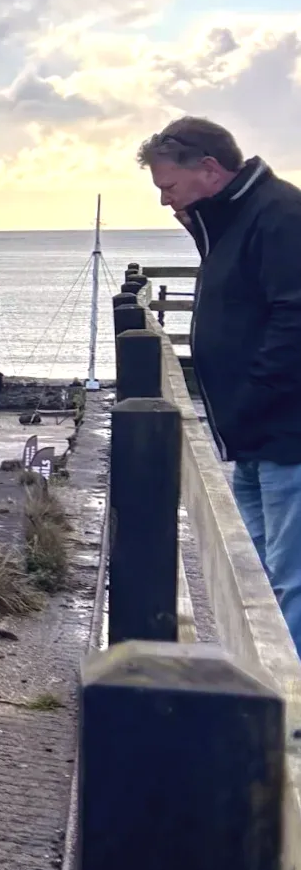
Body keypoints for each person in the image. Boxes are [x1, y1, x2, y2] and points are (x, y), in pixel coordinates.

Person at [140, 117, 301, 640]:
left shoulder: (280, 215)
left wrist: (253, 397)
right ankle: (262, 692)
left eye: (169, 186)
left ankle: (285, 708)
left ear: (209, 168)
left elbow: (293, 317)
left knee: (289, 578)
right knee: (252, 572)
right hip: (251, 434)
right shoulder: (231, 221)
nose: (165, 200)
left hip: (284, 433)